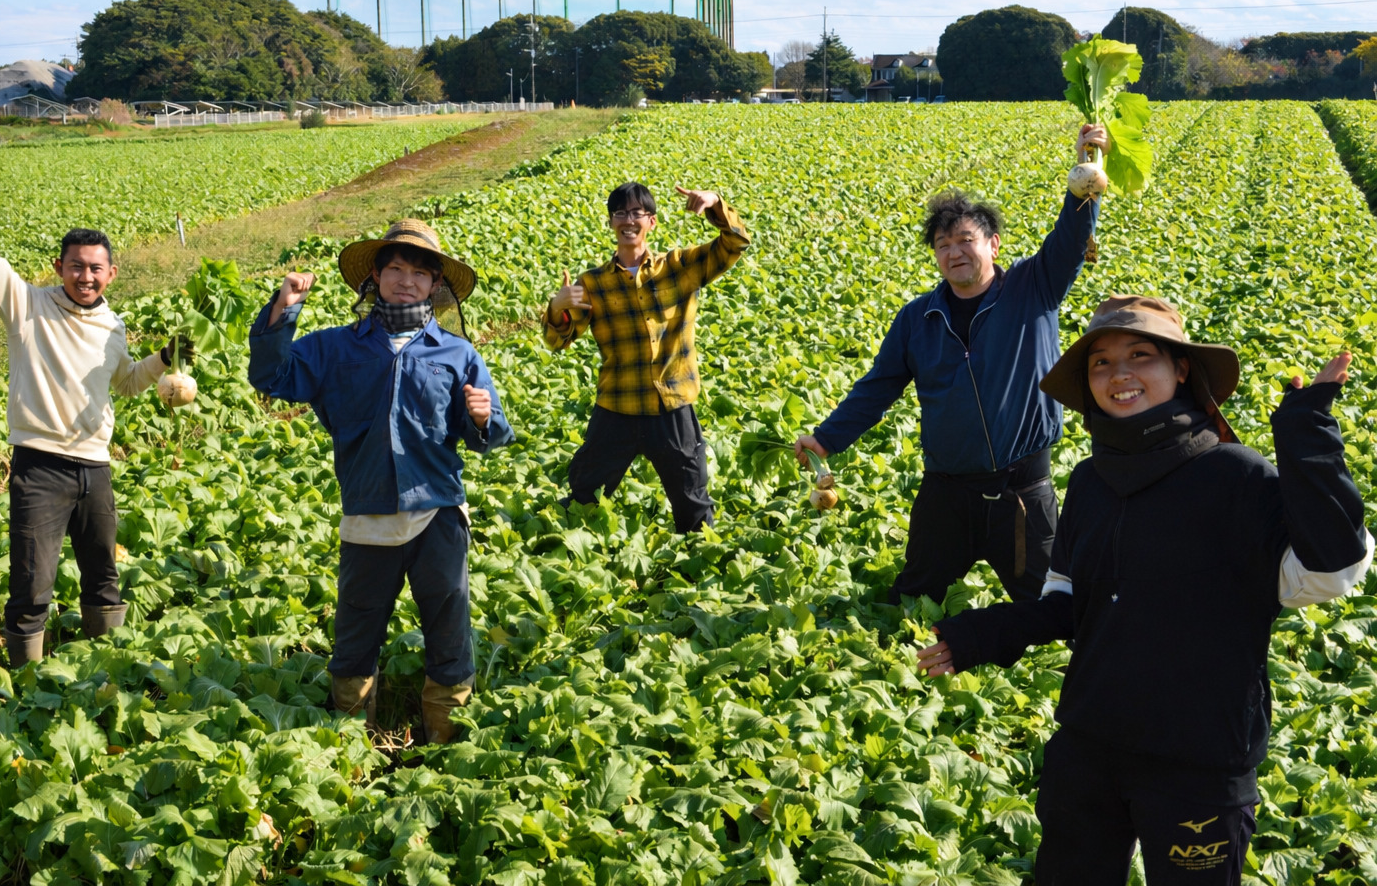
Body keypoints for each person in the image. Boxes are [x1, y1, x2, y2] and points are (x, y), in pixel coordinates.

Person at [915, 295, 1373, 885]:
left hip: (1199, 761)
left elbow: (1331, 573)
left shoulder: (1236, 475)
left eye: (1141, 356)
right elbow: (1067, 601)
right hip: (1090, 745)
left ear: (1181, 368)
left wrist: (1308, 438)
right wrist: (984, 633)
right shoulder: (1090, 480)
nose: (1119, 375)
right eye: (1100, 363)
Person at [795, 125, 1108, 604]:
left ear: (994, 245)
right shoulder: (918, 318)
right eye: (943, 245)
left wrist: (1087, 175)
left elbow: (1070, 239)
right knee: (913, 599)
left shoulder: (1034, 288)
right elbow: (877, 388)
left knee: (1052, 608)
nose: (954, 252)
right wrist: (827, 437)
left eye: (965, 240)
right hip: (946, 493)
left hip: (1022, 493)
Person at [248, 219, 513, 744]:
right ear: (375, 275)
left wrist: (484, 419)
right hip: (367, 514)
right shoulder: (334, 348)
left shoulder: (458, 354)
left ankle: (445, 742)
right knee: (355, 636)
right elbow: (271, 378)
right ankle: (353, 747)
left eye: (420, 272)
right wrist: (284, 310)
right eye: (396, 268)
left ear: (436, 285)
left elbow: (492, 434)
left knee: (450, 633)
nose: (407, 281)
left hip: (436, 512)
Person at [0, 191, 186, 668]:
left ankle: (102, 667)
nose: (85, 276)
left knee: (103, 576)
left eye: (95, 268)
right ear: (58, 266)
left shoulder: (113, 326)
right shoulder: (27, 307)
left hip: (95, 467)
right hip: (40, 467)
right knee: (31, 582)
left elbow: (126, 383)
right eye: (76, 266)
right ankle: (25, 684)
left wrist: (163, 360)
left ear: (111, 274)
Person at [544, 181, 750, 533]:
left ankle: (695, 568)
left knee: (693, 505)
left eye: (637, 212)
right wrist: (557, 308)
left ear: (651, 222)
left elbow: (735, 243)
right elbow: (558, 340)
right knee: (584, 497)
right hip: (618, 407)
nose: (629, 220)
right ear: (611, 222)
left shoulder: (679, 267)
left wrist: (716, 204)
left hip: (671, 406)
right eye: (620, 213)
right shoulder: (592, 283)